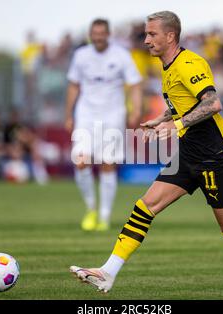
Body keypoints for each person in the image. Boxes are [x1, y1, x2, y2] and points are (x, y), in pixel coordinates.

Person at [70, 11, 223, 293]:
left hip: (215, 155)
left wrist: (177, 124)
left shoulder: (189, 63)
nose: (146, 40)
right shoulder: (168, 66)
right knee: (145, 207)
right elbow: (182, 104)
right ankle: (108, 272)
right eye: (146, 34)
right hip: (188, 154)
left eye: (152, 34)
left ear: (170, 35)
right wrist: (164, 119)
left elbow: (213, 103)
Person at [65, 18, 143, 231]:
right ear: (91, 34)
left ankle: (104, 216)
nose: (98, 37)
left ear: (108, 34)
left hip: (113, 113)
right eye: (95, 33)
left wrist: (135, 110)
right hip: (86, 113)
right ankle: (91, 209)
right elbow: (73, 85)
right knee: (81, 161)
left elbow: (135, 84)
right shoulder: (81, 56)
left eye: (102, 33)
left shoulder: (121, 55)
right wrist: (69, 114)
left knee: (108, 163)